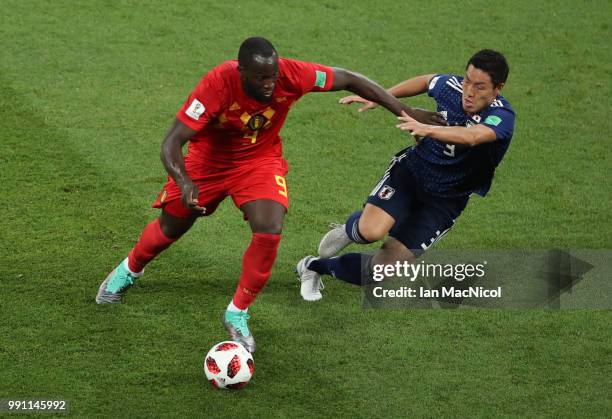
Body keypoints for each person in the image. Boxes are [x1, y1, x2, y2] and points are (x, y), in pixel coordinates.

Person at [95, 37, 445, 352]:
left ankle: (238, 312)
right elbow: (171, 143)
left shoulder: (293, 75)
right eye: (261, 78)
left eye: (273, 76)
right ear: (241, 71)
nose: (270, 84)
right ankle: (130, 268)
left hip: (259, 161)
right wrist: (185, 182)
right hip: (208, 163)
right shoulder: (217, 84)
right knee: (172, 227)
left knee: (270, 228)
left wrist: (407, 111)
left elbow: (349, 78)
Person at [297, 49, 515, 301]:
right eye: (467, 80)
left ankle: (312, 266)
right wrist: (384, 97)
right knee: (370, 232)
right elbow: (428, 80)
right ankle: (353, 228)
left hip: (445, 202)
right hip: (411, 174)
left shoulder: (502, 117)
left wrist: (427, 128)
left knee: (378, 272)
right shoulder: (453, 87)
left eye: (480, 87)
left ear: (498, 88)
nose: (469, 91)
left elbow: (473, 135)